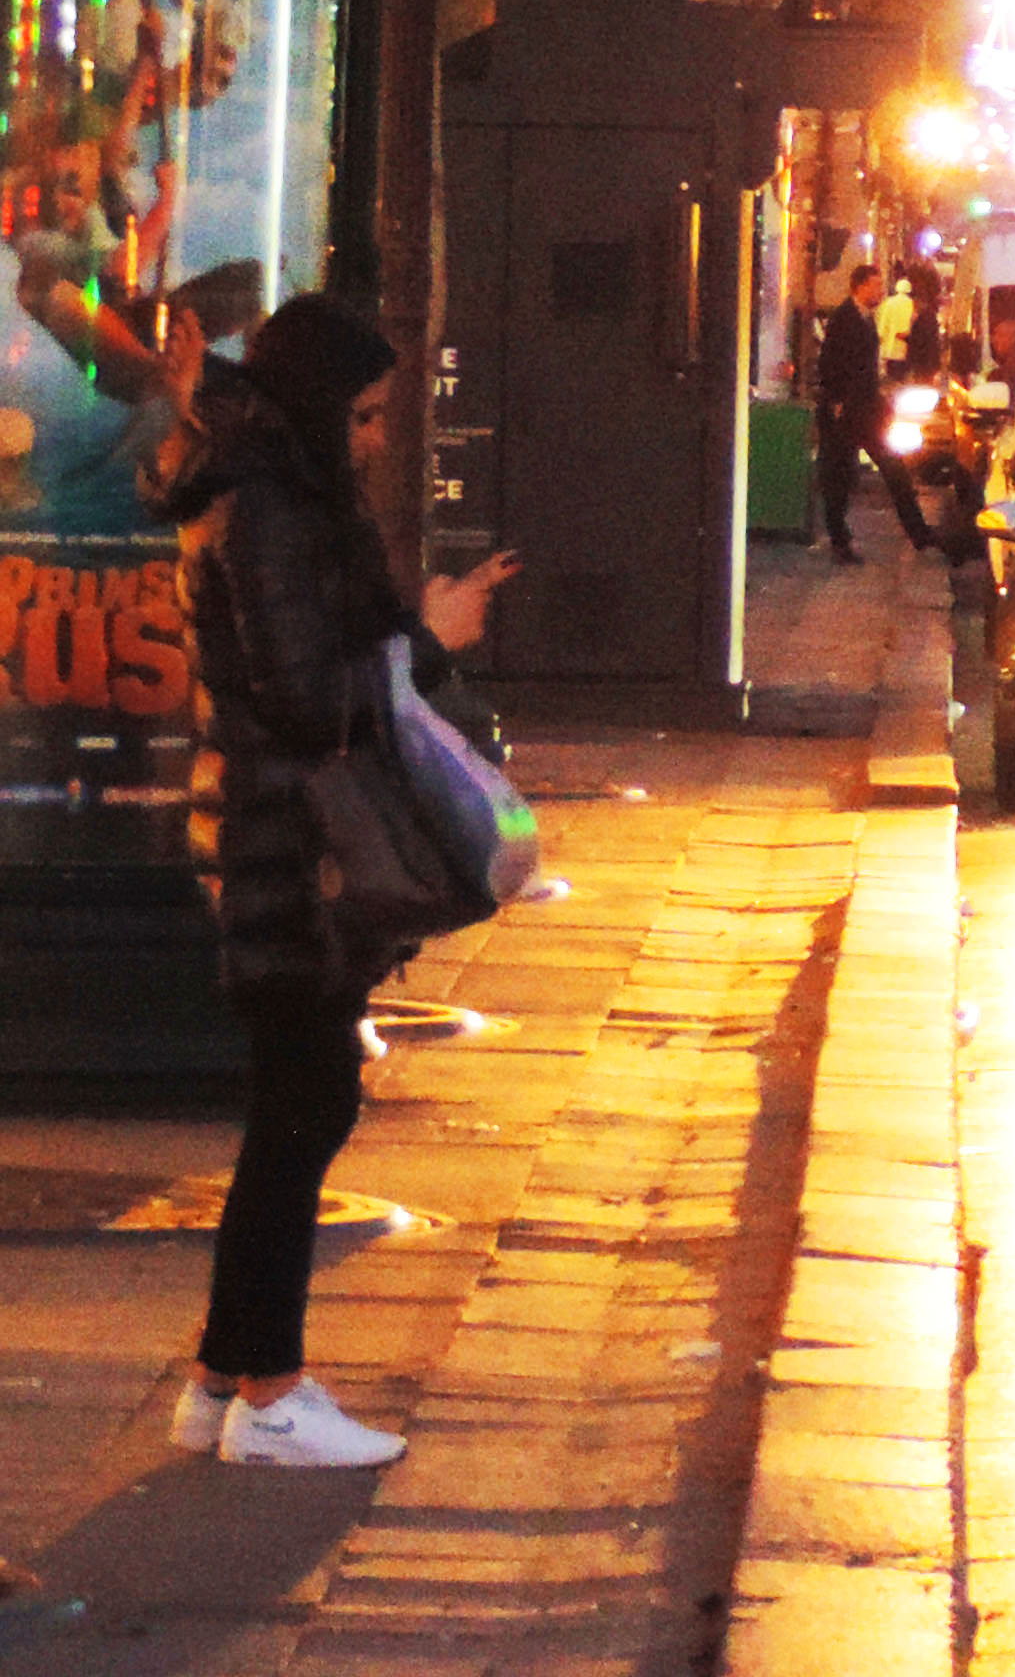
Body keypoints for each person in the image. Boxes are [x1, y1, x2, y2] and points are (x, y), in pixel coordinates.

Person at [146, 295, 515, 1471]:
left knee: (295, 1111)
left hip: (276, 841)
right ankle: (270, 1392)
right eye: (358, 417)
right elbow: (305, 698)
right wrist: (430, 639)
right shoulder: (267, 509)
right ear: (311, 408)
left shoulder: (268, 495)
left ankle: (222, 1380)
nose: (370, 439)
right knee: (303, 1114)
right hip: (286, 848)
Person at [810, 263, 924, 562]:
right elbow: (830, 364)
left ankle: (920, 534)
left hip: (866, 410)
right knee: (841, 476)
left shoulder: (865, 318)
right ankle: (840, 540)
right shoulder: (844, 320)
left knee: (891, 469)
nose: (879, 291)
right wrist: (837, 402)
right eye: (874, 285)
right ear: (859, 287)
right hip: (847, 413)